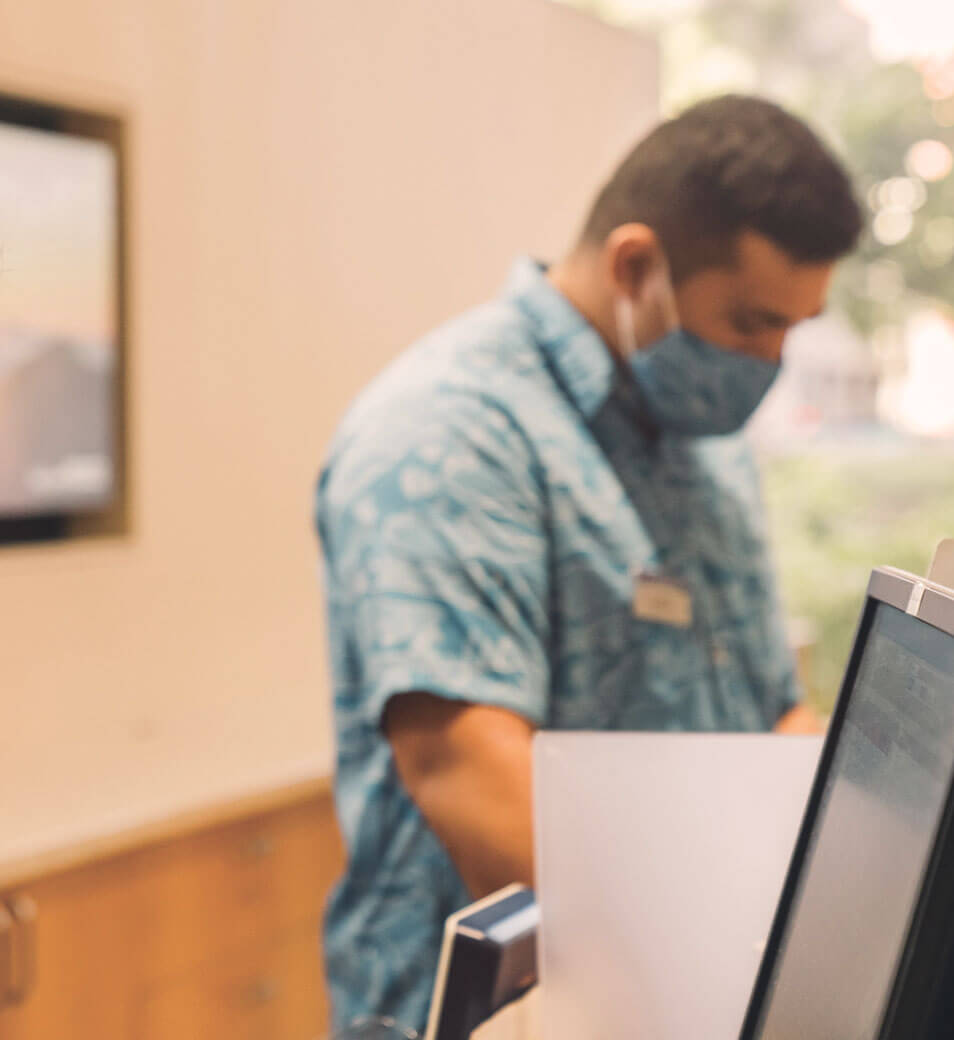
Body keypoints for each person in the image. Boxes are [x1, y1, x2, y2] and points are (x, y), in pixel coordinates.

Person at [314, 94, 864, 1031]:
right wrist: (709, 957)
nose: (769, 362)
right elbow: (469, 773)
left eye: (792, 331)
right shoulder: (450, 430)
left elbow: (774, 714)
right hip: (520, 1009)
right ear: (636, 266)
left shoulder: (704, 438)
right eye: (750, 323)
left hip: (711, 980)